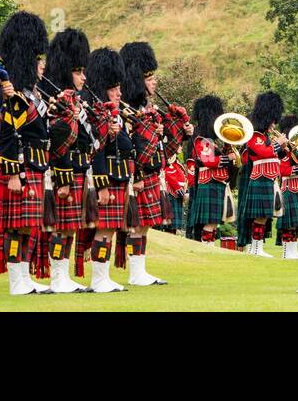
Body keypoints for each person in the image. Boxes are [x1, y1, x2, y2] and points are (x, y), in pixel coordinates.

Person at [120, 40, 188, 285]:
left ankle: (141, 270)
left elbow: (164, 148)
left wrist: (181, 129)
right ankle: (135, 274)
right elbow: (129, 147)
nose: (154, 82)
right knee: (136, 225)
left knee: (146, 225)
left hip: (152, 171)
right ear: (139, 81)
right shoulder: (128, 110)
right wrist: (136, 177)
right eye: (149, 79)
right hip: (138, 174)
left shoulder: (147, 108)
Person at [0, 10, 52, 296]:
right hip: (22, 166)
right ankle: (17, 281)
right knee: (17, 227)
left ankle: (25, 276)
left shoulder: (32, 94)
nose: (43, 66)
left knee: (29, 227)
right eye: (39, 60)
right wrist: (13, 172)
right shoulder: (15, 96)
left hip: (36, 165)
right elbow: (7, 136)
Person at [43, 27, 92, 293]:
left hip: (79, 169)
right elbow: (60, 142)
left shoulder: (76, 100)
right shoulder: (61, 100)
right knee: (61, 227)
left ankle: (63, 275)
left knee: (70, 226)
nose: (83, 77)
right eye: (78, 71)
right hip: (65, 170)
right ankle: (57, 277)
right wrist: (63, 178)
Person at [77, 46, 129, 293]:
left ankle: (103, 277)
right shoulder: (97, 113)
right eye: (113, 88)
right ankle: (98, 279)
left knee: (109, 230)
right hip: (105, 176)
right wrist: (101, 185)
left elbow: (126, 145)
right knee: (103, 229)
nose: (119, 92)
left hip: (117, 174)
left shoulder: (114, 113)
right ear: (102, 88)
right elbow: (95, 150)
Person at [239, 91, 285, 258]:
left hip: (269, 179)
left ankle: (256, 247)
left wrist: (283, 147)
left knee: (264, 216)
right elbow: (264, 153)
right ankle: (256, 248)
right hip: (261, 178)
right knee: (260, 217)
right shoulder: (255, 136)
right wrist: (278, 144)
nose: (274, 124)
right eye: (272, 120)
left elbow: (275, 156)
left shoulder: (265, 136)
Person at [186, 95, 237, 246]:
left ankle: (209, 246)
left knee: (214, 221)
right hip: (209, 182)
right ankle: (206, 247)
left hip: (216, 183)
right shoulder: (201, 138)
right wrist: (228, 159)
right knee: (210, 221)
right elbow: (207, 161)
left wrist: (228, 146)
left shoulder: (211, 141)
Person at [273, 113, 298, 259]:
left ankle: (293, 249)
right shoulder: (283, 153)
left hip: (297, 188)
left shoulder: (296, 152)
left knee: (295, 222)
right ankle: (287, 251)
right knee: (288, 223)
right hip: (287, 188)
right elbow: (284, 171)